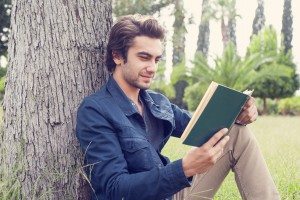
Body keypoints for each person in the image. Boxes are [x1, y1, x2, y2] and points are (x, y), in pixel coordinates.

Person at [76, 14, 279, 200]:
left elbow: (206, 125)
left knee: (235, 132)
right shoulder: (95, 110)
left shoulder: (156, 102)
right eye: (144, 57)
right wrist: (183, 169)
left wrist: (240, 113)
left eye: (157, 60)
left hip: (171, 194)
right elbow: (113, 189)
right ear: (117, 56)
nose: (152, 68)